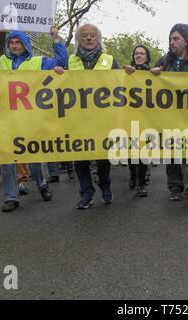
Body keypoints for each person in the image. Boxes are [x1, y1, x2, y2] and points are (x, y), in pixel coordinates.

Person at [0, 22, 68, 212]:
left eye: (18, 42)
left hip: (29, 119)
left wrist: (56, 39)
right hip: (5, 119)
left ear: (26, 45)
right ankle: (11, 197)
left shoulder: (38, 62)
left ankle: (41, 186)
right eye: (11, 42)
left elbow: (61, 63)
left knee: (32, 158)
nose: (14, 45)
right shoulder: (0, 62)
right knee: (7, 159)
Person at [54, 23, 118, 209]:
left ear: (98, 38)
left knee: (102, 157)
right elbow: (61, 85)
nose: (89, 38)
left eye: (92, 35)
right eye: (85, 35)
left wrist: (129, 73)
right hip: (77, 119)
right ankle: (86, 193)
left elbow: (122, 84)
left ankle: (105, 186)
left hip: (102, 118)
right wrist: (59, 73)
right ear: (78, 39)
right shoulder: (70, 61)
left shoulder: (110, 60)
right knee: (80, 157)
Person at [151, 23, 188, 204]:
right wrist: (152, 74)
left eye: (176, 38)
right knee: (172, 154)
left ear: (186, 41)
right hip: (169, 118)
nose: (172, 42)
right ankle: (175, 187)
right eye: (170, 38)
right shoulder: (163, 62)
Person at [124, 45, 152, 197]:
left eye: (142, 53)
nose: (139, 56)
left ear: (147, 57)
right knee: (131, 152)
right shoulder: (125, 73)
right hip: (130, 117)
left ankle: (141, 183)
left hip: (147, 118)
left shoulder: (152, 73)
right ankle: (133, 174)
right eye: (136, 53)